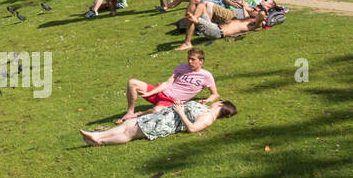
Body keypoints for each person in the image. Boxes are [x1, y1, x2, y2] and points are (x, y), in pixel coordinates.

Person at [120, 48, 220, 120]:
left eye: (193, 59)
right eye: (188, 58)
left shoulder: (206, 76)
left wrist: (207, 101)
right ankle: (130, 111)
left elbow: (215, 94)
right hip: (160, 93)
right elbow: (168, 83)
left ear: (201, 61)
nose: (189, 62)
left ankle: (136, 115)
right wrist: (150, 93)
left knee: (156, 111)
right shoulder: (181, 67)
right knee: (132, 83)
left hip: (171, 101)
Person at [81, 100, 238, 145]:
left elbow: (192, 128)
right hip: (163, 117)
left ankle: (100, 141)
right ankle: (98, 136)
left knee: (130, 133)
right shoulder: (206, 110)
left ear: (221, 104)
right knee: (129, 125)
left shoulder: (208, 118)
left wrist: (181, 112)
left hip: (164, 124)